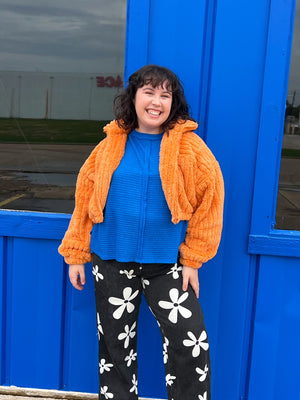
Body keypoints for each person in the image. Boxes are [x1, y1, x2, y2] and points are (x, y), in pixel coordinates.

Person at [58, 64, 224, 400]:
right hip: (110, 261)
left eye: (165, 95)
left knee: (190, 341)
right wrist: (76, 254)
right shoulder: (109, 146)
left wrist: (193, 261)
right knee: (115, 347)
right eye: (149, 92)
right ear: (133, 97)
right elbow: (84, 199)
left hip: (167, 266)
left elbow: (211, 202)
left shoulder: (191, 149)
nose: (156, 101)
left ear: (173, 103)